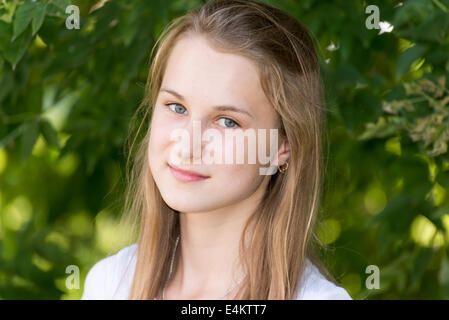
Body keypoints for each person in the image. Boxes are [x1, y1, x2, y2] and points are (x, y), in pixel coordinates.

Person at [81, 0, 352, 300]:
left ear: (283, 146)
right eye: (177, 107)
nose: (188, 145)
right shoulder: (110, 284)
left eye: (227, 121)